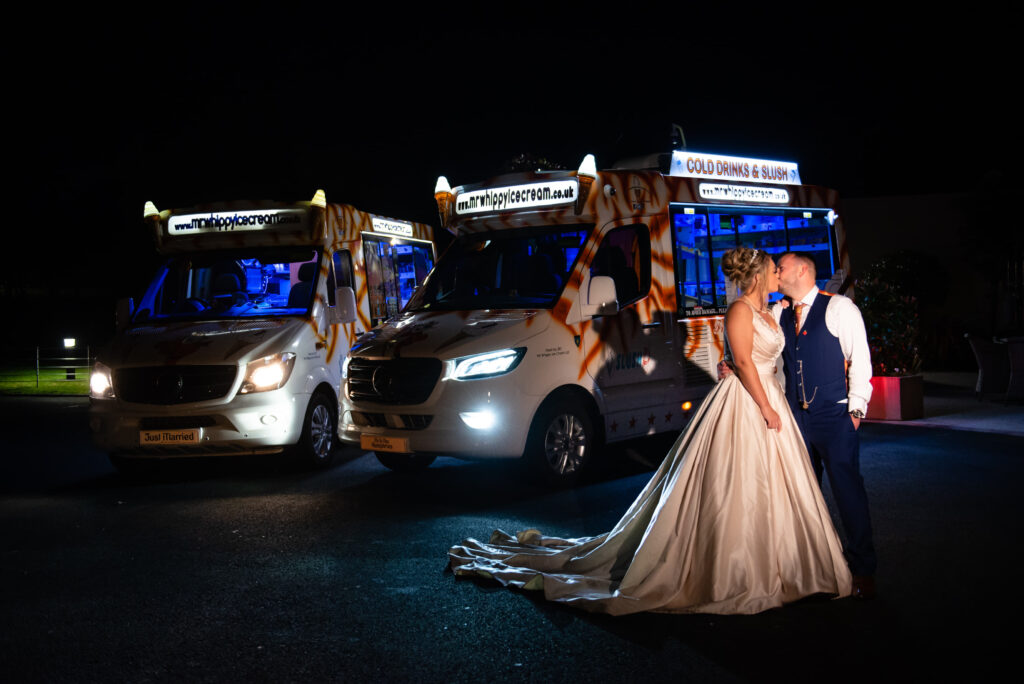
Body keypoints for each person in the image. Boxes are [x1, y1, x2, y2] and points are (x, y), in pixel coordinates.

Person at [448, 247, 852, 615]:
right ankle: (738, 569)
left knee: (777, 488)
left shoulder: (773, 311)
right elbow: (744, 363)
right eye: (772, 270)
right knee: (737, 485)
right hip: (750, 401)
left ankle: (783, 563)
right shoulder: (740, 311)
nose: (777, 274)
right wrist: (764, 405)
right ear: (758, 276)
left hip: (771, 396)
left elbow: (768, 351)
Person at [774, 251, 877, 599]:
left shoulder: (839, 308)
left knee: (848, 493)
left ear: (802, 270)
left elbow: (860, 360)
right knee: (803, 495)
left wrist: (856, 411)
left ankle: (864, 569)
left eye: (781, 267)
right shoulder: (779, 312)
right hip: (796, 418)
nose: (776, 271)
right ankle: (814, 567)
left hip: (834, 416)